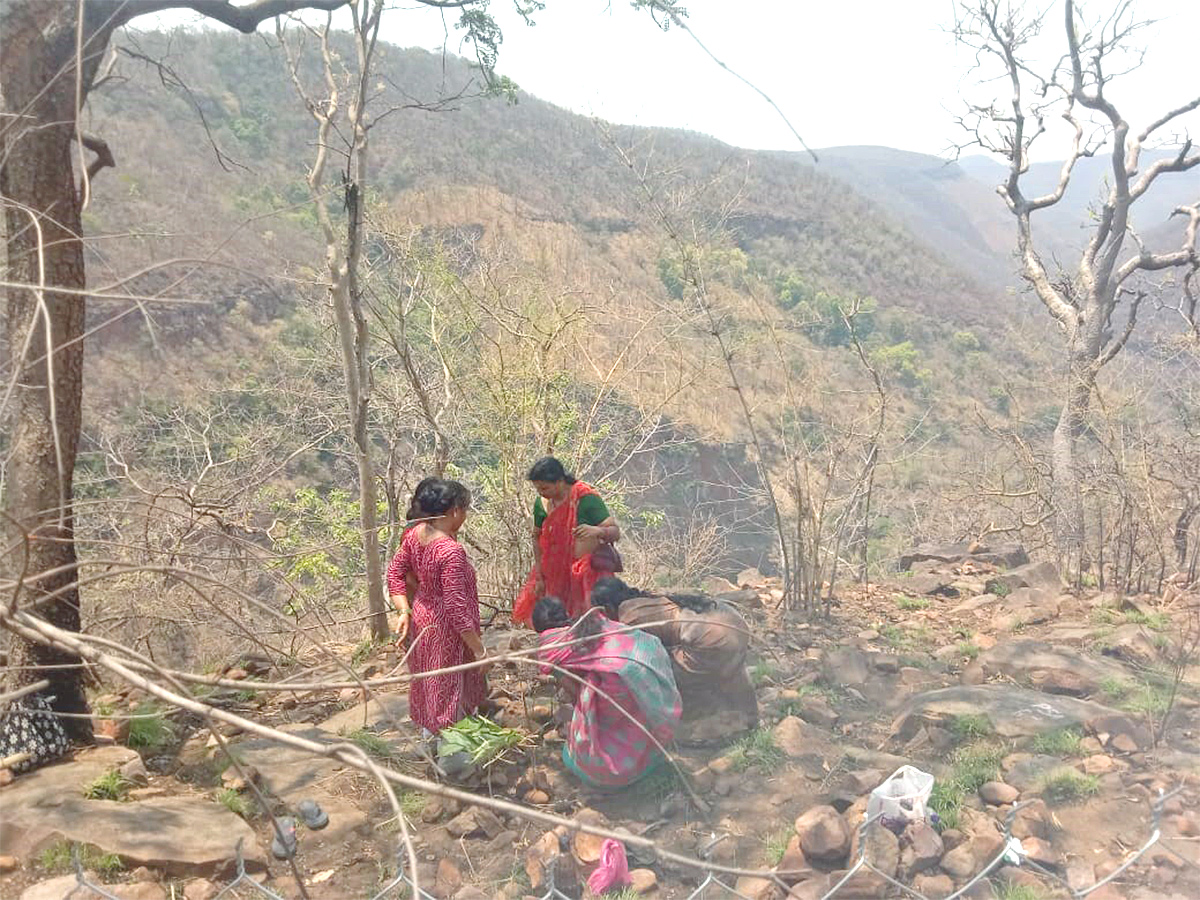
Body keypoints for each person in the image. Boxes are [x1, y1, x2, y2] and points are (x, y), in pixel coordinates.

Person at [533, 596, 681, 789]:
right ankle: (651, 751)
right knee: (632, 716)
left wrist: (581, 709)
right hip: (644, 658)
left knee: (578, 756)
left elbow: (576, 690)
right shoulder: (590, 621)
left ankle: (615, 772)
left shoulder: (550, 646)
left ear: (538, 627)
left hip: (619, 679)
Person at [589, 576, 758, 738]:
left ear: (607, 608)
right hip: (736, 627)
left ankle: (688, 722)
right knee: (726, 664)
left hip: (715, 641)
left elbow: (641, 664)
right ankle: (749, 714)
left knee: (657, 673)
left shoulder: (629, 618)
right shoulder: (646, 599)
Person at [385, 479, 488, 736]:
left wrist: (405, 611)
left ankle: (429, 737)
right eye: (464, 510)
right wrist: (479, 650)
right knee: (449, 683)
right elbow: (455, 607)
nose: (464, 515)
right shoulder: (450, 551)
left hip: (422, 619)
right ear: (455, 511)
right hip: (445, 630)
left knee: (429, 681)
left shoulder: (414, 535)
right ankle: (453, 749)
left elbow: (394, 573)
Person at [514, 456, 620, 625]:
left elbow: (615, 532)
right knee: (555, 622)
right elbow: (537, 538)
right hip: (554, 575)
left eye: (545, 488)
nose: (541, 493)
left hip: (587, 576)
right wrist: (540, 576)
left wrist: (598, 531)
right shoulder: (542, 503)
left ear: (560, 481)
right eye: (538, 489)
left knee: (591, 623)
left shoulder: (586, 498)